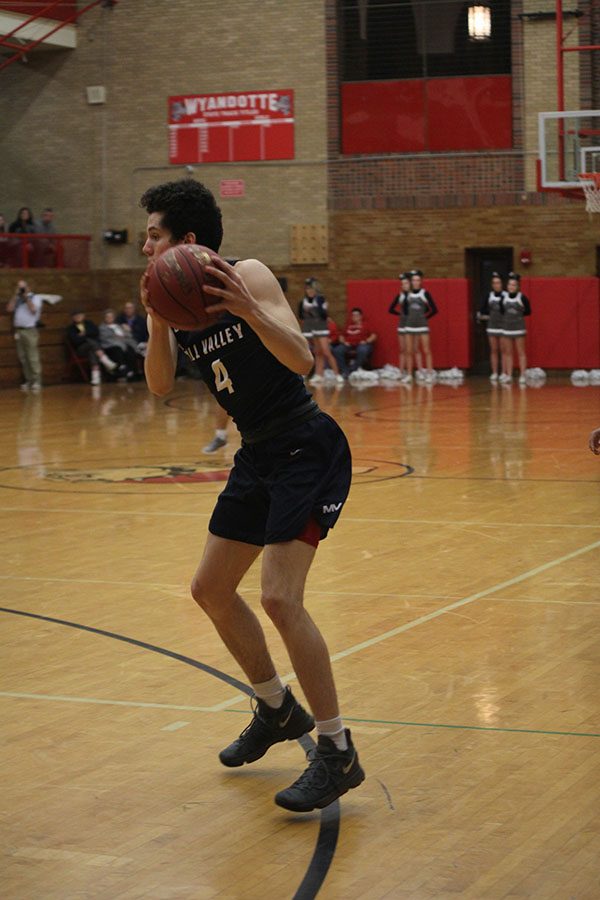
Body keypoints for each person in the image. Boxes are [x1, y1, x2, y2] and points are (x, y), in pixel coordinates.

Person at [140, 178, 364, 812]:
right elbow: (159, 387)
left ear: (186, 242)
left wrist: (247, 308)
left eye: (153, 235)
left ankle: (337, 750)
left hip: (305, 446)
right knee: (210, 589)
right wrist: (158, 322)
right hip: (257, 452)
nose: (144, 246)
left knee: (278, 597)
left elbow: (302, 360)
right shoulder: (175, 302)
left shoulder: (251, 275)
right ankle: (274, 707)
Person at [298, 277, 343, 386]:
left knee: (326, 351)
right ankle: (319, 375)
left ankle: (337, 374)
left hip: (321, 326)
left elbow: (324, 314)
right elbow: (300, 314)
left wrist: (315, 307)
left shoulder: (320, 299)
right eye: (308, 289)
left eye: (311, 289)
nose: (309, 291)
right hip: (310, 326)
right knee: (318, 352)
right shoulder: (303, 301)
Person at [6, 279, 43, 392]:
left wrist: (26, 297)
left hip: (30, 330)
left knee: (32, 356)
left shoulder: (35, 298)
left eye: (23, 287)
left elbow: (33, 310)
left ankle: (37, 381)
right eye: (19, 287)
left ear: (29, 287)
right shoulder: (17, 298)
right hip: (19, 331)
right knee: (23, 357)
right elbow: (9, 309)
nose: (21, 289)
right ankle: (29, 380)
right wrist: (15, 295)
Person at [403, 269, 438, 384]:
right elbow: (404, 309)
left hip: (422, 326)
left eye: (418, 280)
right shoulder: (407, 294)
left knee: (426, 350)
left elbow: (434, 309)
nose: (415, 282)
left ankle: (429, 374)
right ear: (411, 282)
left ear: (421, 281)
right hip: (409, 326)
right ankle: (409, 374)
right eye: (413, 280)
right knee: (409, 350)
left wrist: (424, 318)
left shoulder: (425, 293)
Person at [66, 310, 118, 385]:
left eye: (80, 315)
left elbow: (95, 332)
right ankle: (105, 360)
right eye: (76, 316)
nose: (78, 317)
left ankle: (95, 378)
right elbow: (75, 340)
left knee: (92, 352)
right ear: (73, 318)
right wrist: (87, 336)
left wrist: (84, 334)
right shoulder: (71, 328)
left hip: (92, 349)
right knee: (91, 342)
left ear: (83, 316)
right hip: (80, 349)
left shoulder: (89, 324)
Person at [501, 272, 530, 386]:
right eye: (509, 285)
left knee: (521, 352)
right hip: (507, 329)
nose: (511, 287)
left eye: (514, 285)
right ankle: (509, 375)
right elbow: (502, 311)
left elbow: (528, 311)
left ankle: (522, 375)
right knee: (508, 353)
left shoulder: (522, 297)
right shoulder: (504, 298)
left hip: (519, 328)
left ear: (517, 286)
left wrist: (518, 314)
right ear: (507, 286)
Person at [332, 307, 377, 376]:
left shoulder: (366, 324)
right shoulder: (348, 324)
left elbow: (374, 335)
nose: (354, 317)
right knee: (337, 350)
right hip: (348, 344)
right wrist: (344, 342)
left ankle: (353, 369)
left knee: (363, 350)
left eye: (357, 315)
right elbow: (341, 336)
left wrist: (366, 341)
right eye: (353, 315)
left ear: (361, 316)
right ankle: (344, 370)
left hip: (361, 344)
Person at [477, 272, 505, 382]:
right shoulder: (488, 296)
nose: (496, 285)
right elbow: (482, 311)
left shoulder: (506, 296)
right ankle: (494, 372)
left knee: (503, 350)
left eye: (498, 283)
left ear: (501, 284)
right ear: (492, 285)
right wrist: (488, 317)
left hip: (503, 327)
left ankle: (504, 372)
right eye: (494, 283)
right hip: (492, 326)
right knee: (494, 350)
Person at [99, 309, 138, 380]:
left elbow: (128, 335)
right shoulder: (102, 327)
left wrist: (126, 332)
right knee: (118, 350)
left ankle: (132, 372)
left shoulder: (119, 326)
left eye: (111, 317)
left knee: (130, 350)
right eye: (108, 317)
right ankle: (122, 370)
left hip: (124, 343)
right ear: (105, 318)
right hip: (111, 346)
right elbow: (106, 338)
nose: (109, 318)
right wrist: (118, 338)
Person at [388, 272, 411, 376]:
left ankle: (410, 371)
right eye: (402, 284)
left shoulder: (414, 295)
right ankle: (401, 371)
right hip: (402, 323)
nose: (404, 285)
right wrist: (400, 314)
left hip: (411, 324)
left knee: (409, 350)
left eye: (406, 283)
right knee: (402, 349)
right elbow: (391, 309)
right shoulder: (400, 296)